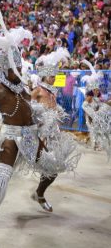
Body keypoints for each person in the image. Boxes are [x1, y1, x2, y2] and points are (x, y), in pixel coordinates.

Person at [0, 0, 76, 225]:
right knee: (2, 177)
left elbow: (31, 110)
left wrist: (43, 119)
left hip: (32, 136)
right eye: (13, 68)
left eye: (19, 67)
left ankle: (39, 194)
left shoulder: (24, 86)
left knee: (53, 168)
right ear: (3, 68)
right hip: (10, 137)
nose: (18, 71)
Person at [31, 47, 81, 211]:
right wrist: (39, 118)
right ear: (44, 75)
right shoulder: (37, 90)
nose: (53, 79)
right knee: (49, 166)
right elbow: (29, 108)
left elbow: (53, 107)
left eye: (55, 76)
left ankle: (39, 192)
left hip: (54, 133)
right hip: (40, 134)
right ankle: (40, 194)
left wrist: (58, 111)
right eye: (51, 76)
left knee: (56, 166)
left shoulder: (53, 92)